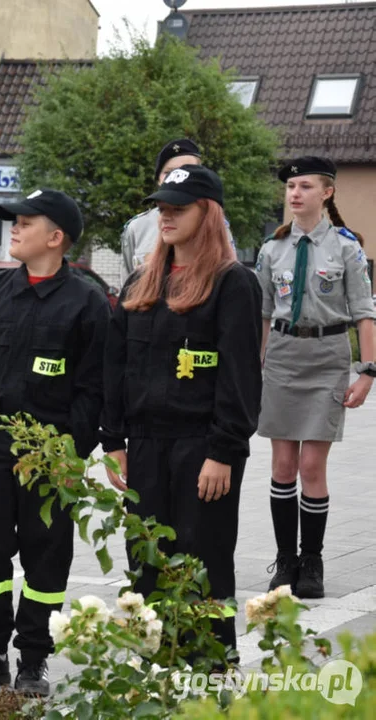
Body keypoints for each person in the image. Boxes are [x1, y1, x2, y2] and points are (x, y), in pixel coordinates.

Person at [0, 190, 110, 696]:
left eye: (26, 222)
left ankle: (33, 658)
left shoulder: (87, 303)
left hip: (51, 454)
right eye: (13, 222)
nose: (13, 229)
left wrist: (71, 455)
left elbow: (94, 388)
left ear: (56, 238)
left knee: (46, 554)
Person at [101, 165, 262, 661]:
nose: (165, 216)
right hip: (145, 447)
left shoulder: (232, 284)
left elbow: (239, 380)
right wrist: (113, 445)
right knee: (146, 560)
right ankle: (155, 664)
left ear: (207, 213)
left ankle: (210, 669)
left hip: (201, 448)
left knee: (204, 561)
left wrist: (224, 452)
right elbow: (115, 371)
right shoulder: (139, 284)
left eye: (178, 208)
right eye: (162, 208)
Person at [257, 157, 375, 599]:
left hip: (327, 355)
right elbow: (265, 314)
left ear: (327, 193)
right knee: (283, 465)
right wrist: (257, 366)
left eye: (304, 185)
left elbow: (365, 315)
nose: (294, 193)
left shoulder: (346, 247)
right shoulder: (274, 248)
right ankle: (285, 559)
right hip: (283, 357)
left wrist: (366, 373)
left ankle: (313, 561)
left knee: (311, 467)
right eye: (290, 186)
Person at [120, 138, 234, 283]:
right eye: (169, 173)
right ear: (158, 179)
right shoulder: (136, 228)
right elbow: (127, 287)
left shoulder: (219, 226)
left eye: (187, 170)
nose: (177, 179)